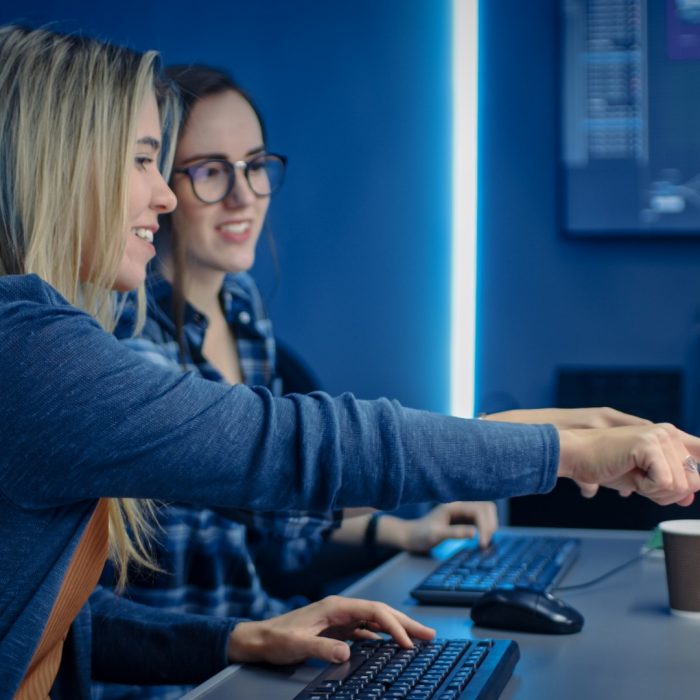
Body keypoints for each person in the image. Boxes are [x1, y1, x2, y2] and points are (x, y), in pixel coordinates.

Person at [0, 24, 698, 699]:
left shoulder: (53, 338)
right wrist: (560, 451)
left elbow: (50, 621)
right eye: (144, 159)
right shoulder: (36, 349)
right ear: (60, 161)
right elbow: (300, 450)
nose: (164, 194)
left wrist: (237, 639)